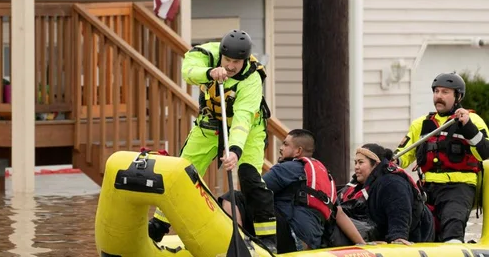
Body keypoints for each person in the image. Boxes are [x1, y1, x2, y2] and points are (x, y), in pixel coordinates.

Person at [148, 29, 277, 251]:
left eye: (236, 62)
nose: (231, 66)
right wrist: (209, 73)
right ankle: (159, 225)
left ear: (245, 60)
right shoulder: (206, 53)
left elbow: (243, 118)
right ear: (221, 55)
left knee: (249, 178)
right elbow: (188, 71)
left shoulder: (252, 79)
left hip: (249, 130)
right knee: (181, 173)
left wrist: (235, 150)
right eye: (227, 60)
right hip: (210, 124)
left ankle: (267, 241)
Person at [220, 129, 366, 252]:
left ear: (298, 151)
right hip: (309, 244)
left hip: (289, 238)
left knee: (234, 197)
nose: (281, 148)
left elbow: (255, 193)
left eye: (285, 144)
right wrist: (362, 243)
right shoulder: (324, 176)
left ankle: (238, 244)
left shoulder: (286, 168)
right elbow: (339, 214)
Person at [395, 72, 489, 243]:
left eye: (445, 92)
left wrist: (468, 127)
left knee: (452, 226)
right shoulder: (421, 124)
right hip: (427, 189)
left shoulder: (473, 120)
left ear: (458, 96)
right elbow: (404, 156)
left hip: (459, 187)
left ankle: (454, 245)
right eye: (436, 91)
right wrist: (393, 162)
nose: (439, 96)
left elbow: (484, 152)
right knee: (416, 229)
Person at [332, 143, 435, 246]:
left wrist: (398, 236)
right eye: (355, 163)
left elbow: (399, 209)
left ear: (376, 164)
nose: (356, 167)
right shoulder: (357, 186)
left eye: (360, 162)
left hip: (417, 235)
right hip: (380, 233)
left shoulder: (391, 183)